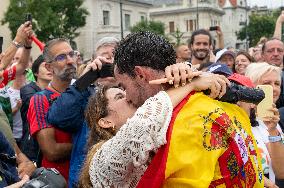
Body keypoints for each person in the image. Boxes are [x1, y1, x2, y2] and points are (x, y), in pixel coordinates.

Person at [89, 31, 264, 187]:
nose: (127, 97)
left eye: (123, 87)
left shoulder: (181, 120)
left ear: (140, 74)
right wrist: (189, 83)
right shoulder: (209, 101)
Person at [82, 69, 226, 187]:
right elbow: (142, 124)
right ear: (105, 122)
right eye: (120, 96)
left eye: (126, 91)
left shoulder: (158, 127)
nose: (128, 96)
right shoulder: (100, 161)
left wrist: (183, 71)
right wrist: (190, 85)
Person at [47, 36, 118, 187]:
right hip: (85, 182)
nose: (108, 63)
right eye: (103, 59)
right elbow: (57, 117)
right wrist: (85, 80)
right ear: (93, 62)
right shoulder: (84, 94)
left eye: (113, 58)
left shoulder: (134, 93)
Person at [27, 38, 75, 182]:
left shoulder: (85, 92)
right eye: (61, 57)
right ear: (49, 67)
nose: (70, 61)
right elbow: (51, 151)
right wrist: (89, 145)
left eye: (71, 54)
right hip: (60, 181)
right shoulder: (40, 100)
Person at [245, 62, 284, 185]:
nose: (274, 88)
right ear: (251, 86)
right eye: (267, 84)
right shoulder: (239, 120)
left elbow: (281, 172)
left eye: (277, 84)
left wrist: (273, 131)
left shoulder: (274, 123)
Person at [20, 55, 53, 162]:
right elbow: (39, 104)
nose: (50, 69)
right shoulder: (27, 89)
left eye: (52, 66)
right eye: (45, 66)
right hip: (32, 145)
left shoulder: (59, 90)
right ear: (36, 72)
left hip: (50, 141)